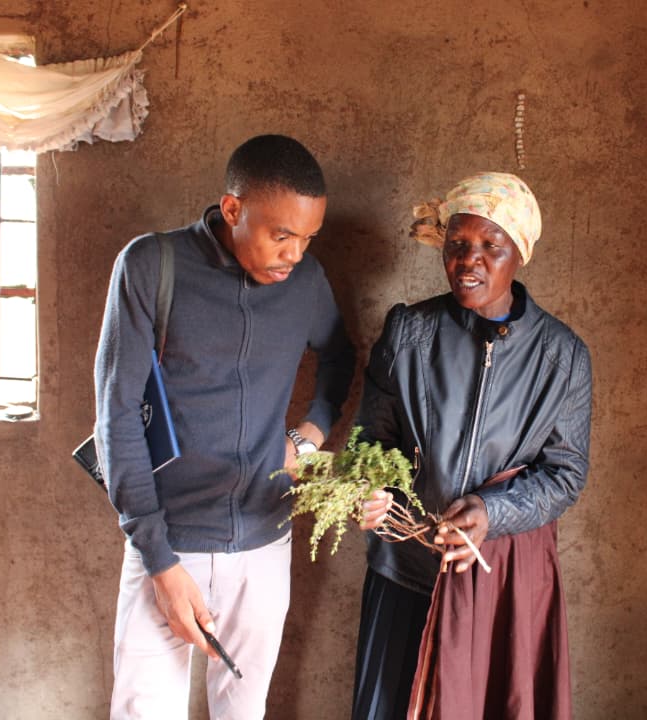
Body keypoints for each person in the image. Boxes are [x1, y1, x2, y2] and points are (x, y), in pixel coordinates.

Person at [94, 134, 355, 720]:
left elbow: (341, 357)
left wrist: (308, 435)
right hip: (168, 539)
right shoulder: (150, 265)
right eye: (281, 235)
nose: (294, 253)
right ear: (232, 209)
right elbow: (116, 420)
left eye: (308, 237)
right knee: (143, 712)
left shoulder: (306, 282)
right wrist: (160, 562)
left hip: (265, 543)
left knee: (243, 711)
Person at [353, 172, 592, 720]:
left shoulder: (563, 357)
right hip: (406, 567)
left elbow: (565, 473)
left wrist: (493, 512)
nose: (470, 261)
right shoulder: (408, 333)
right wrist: (372, 491)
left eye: (491, 246)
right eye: (458, 244)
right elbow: (372, 439)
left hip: (499, 577)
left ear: (520, 254)